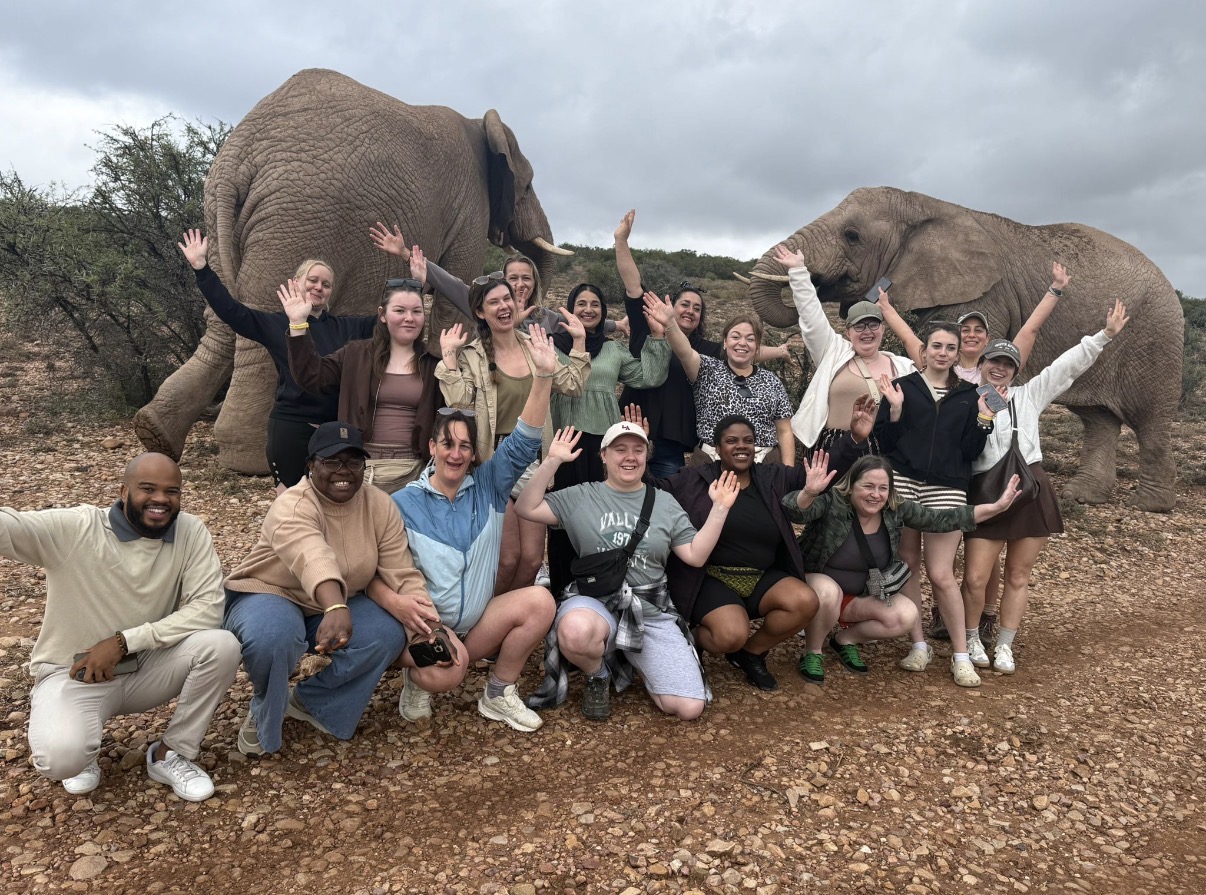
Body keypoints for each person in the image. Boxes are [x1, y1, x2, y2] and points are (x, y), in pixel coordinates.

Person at [8, 453, 242, 801]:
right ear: (123, 491)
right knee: (60, 761)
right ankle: (82, 750)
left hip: (146, 666)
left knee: (221, 645)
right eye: (147, 488)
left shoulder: (189, 531)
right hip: (73, 672)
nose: (160, 499)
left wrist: (124, 641)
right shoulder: (78, 527)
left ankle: (170, 753)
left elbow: (208, 609)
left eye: (172, 491)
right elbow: (11, 526)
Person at [877, 261, 1070, 640]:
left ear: (986, 341)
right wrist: (884, 306)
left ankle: (983, 617)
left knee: (980, 553)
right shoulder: (937, 363)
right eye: (963, 331)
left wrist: (1054, 291)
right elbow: (906, 336)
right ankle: (941, 620)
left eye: (977, 331)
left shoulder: (993, 370)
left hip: (973, 472)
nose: (969, 336)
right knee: (946, 554)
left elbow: (1030, 330)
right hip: (947, 474)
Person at [384, 325, 562, 731]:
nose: (457, 453)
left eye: (465, 446)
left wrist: (543, 377)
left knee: (540, 602)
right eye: (447, 444)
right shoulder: (401, 503)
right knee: (449, 671)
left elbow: (523, 440)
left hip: (479, 620)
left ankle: (499, 692)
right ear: (432, 447)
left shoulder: (489, 487)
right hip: (430, 625)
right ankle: (416, 679)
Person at [222, 422, 426, 755]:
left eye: (353, 462)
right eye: (332, 462)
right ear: (311, 465)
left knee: (387, 633)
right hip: (270, 594)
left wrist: (425, 624)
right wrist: (335, 606)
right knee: (275, 635)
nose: (343, 471)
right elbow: (311, 554)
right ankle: (263, 712)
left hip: (335, 604)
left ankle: (310, 701)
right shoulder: (292, 504)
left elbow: (401, 571)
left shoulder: (379, 505)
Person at [517, 422, 740, 721]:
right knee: (576, 630)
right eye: (620, 449)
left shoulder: (664, 502)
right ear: (604, 456)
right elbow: (526, 507)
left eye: (638, 450)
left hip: (648, 609)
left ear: (647, 456)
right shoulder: (581, 496)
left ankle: (637, 656)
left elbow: (695, 555)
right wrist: (552, 461)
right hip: (596, 602)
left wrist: (720, 509)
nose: (630, 457)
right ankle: (598, 673)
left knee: (688, 708)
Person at [962, 301, 1130, 674]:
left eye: (1007, 364)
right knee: (975, 577)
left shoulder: (1028, 395)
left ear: (1015, 369)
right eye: (993, 361)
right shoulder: (964, 400)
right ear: (982, 363)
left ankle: (1005, 645)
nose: (999, 368)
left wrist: (1103, 336)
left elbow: (1066, 367)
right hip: (986, 494)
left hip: (1029, 492)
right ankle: (972, 638)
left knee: (1019, 576)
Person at [784, 454, 1021, 677]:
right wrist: (808, 492)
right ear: (852, 485)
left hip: (858, 597)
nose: (875, 494)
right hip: (817, 590)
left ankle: (844, 639)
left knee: (906, 615)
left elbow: (941, 519)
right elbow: (794, 511)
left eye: (882, 488)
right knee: (828, 591)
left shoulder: (895, 511)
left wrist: (997, 507)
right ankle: (813, 651)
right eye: (868, 486)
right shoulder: (832, 503)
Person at [177, 230, 378, 491]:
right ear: (297, 282)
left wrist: (415, 276)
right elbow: (231, 311)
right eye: (313, 280)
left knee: (332, 502)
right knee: (290, 504)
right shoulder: (275, 324)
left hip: (335, 429)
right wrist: (202, 269)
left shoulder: (349, 328)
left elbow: (392, 318)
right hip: (291, 426)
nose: (318, 287)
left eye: (326, 284)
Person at [436, 277, 589, 594]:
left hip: (535, 463)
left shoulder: (535, 346)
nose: (504, 306)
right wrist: (449, 360)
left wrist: (578, 343)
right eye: (493, 302)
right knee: (506, 559)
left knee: (532, 560)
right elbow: (459, 406)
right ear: (480, 312)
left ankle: (508, 618)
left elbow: (572, 385)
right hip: (494, 461)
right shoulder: (472, 355)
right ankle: (486, 621)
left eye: (507, 299)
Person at [614, 210, 793, 476]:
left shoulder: (705, 351)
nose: (690, 311)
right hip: (633, 427)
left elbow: (742, 352)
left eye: (697, 308)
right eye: (684, 304)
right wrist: (621, 242)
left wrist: (779, 351)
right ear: (669, 307)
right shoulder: (645, 329)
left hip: (671, 442)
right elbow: (633, 286)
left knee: (665, 501)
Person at [872, 323, 997, 687]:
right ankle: (919, 644)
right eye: (937, 346)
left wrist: (984, 418)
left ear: (958, 355)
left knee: (941, 573)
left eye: (950, 347)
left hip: (948, 486)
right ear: (924, 351)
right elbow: (886, 442)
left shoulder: (970, 394)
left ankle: (960, 655)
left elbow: (972, 451)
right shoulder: (902, 388)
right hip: (906, 481)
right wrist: (894, 411)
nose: (943, 353)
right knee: (908, 563)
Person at [655, 413, 819, 691]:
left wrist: (854, 439)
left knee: (805, 601)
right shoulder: (695, 479)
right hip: (711, 578)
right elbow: (653, 489)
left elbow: (817, 472)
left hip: (761, 576)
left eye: (748, 440)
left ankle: (751, 653)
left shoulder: (771, 476)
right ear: (717, 448)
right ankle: (694, 638)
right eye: (731, 441)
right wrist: (637, 453)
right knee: (730, 634)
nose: (741, 446)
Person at [545, 281, 671, 597]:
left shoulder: (613, 349)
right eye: (581, 304)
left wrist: (657, 335)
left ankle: (601, 590)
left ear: (603, 313)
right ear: (570, 309)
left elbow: (649, 376)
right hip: (565, 443)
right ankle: (561, 592)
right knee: (563, 518)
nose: (588, 309)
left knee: (601, 517)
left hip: (604, 445)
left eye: (595, 305)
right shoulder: (551, 346)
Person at [284, 276, 442, 492]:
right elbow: (312, 376)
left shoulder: (434, 362)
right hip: (360, 466)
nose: (409, 318)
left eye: (416, 311)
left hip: (415, 470)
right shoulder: (356, 354)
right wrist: (298, 325)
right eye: (399, 311)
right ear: (382, 315)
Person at [773, 245, 915, 457]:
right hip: (834, 451)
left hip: (885, 455)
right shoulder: (833, 352)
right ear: (849, 332)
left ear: (883, 330)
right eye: (859, 326)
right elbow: (812, 318)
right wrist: (799, 272)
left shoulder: (904, 366)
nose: (867, 331)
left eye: (873, 325)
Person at [370, 224, 621, 339]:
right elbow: (452, 284)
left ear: (535, 283)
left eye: (526, 278)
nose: (520, 284)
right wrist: (405, 254)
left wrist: (619, 324)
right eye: (513, 278)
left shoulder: (548, 318)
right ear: (503, 281)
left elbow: (584, 320)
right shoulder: (485, 309)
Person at [648, 294, 795, 465]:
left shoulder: (772, 381)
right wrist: (670, 323)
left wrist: (787, 473)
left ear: (757, 347)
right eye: (735, 337)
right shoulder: (707, 369)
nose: (742, 343)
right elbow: (684, 351)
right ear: (725, 342)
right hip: (712, 465)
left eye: (750, 339)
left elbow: (784, 430)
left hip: (764, 467)